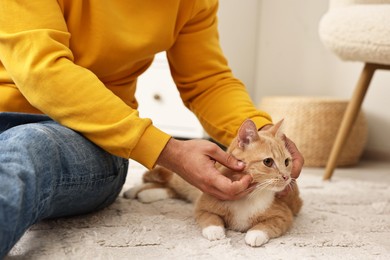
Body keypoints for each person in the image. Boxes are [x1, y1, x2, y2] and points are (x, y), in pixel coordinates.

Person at [0, 0, 304, 257]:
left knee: (28, 147)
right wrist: (169, 151)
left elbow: (208, 82)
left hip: (88, 136)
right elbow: (42, 67)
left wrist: (265, 135)